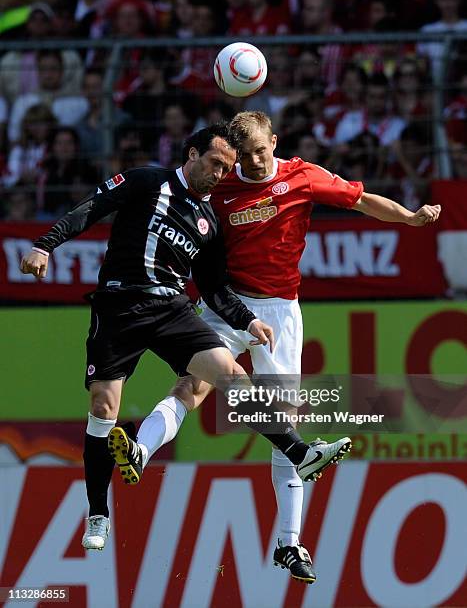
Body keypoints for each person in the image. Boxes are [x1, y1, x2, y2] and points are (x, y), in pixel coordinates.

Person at [114, 111, 441, 585]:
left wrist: (409, 217)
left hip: (281, 312)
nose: (252, 162)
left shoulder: (302, 176)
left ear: (275, 141)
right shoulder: (220, 185)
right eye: (243, 156)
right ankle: (141, 451)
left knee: (284, 419)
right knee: (194, 385)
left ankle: (289, 542)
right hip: (228, 306)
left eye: (260, 152)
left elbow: (361, 200)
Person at [19, 123, 335, 560]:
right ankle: (97, 512)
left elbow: (213, 287)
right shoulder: (146, 181)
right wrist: (45, 244)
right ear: (191, 154)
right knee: (102, 408)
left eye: (227, 169)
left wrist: (247, 322)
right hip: (119, 306)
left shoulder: (208, 222)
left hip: (172, 310)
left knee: (230, 375)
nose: (220, 174)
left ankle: (298, 451)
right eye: (214, 164)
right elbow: (91, 207)